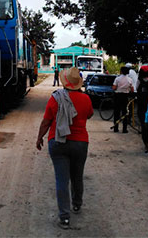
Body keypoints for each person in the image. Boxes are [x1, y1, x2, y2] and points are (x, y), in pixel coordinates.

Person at [36, 67, 93, 230]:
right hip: (80, 143)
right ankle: (76, 204)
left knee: (62, 180)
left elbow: (46, 121)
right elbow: (89, 114)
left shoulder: (56, 98)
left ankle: (65, 218)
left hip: (58, 142)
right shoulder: (86, 98)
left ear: (64, 82)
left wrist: (39, 137)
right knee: (77, 176)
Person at [112, 66, 133, 133]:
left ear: (121, 71)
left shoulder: (117, 79)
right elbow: (132, 89)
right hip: (125, 96)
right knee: (125, 113)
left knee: (117, 112)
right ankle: (124, 129)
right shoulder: (129, 79)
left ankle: (116, 128)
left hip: (118, 96)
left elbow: (114, 88)